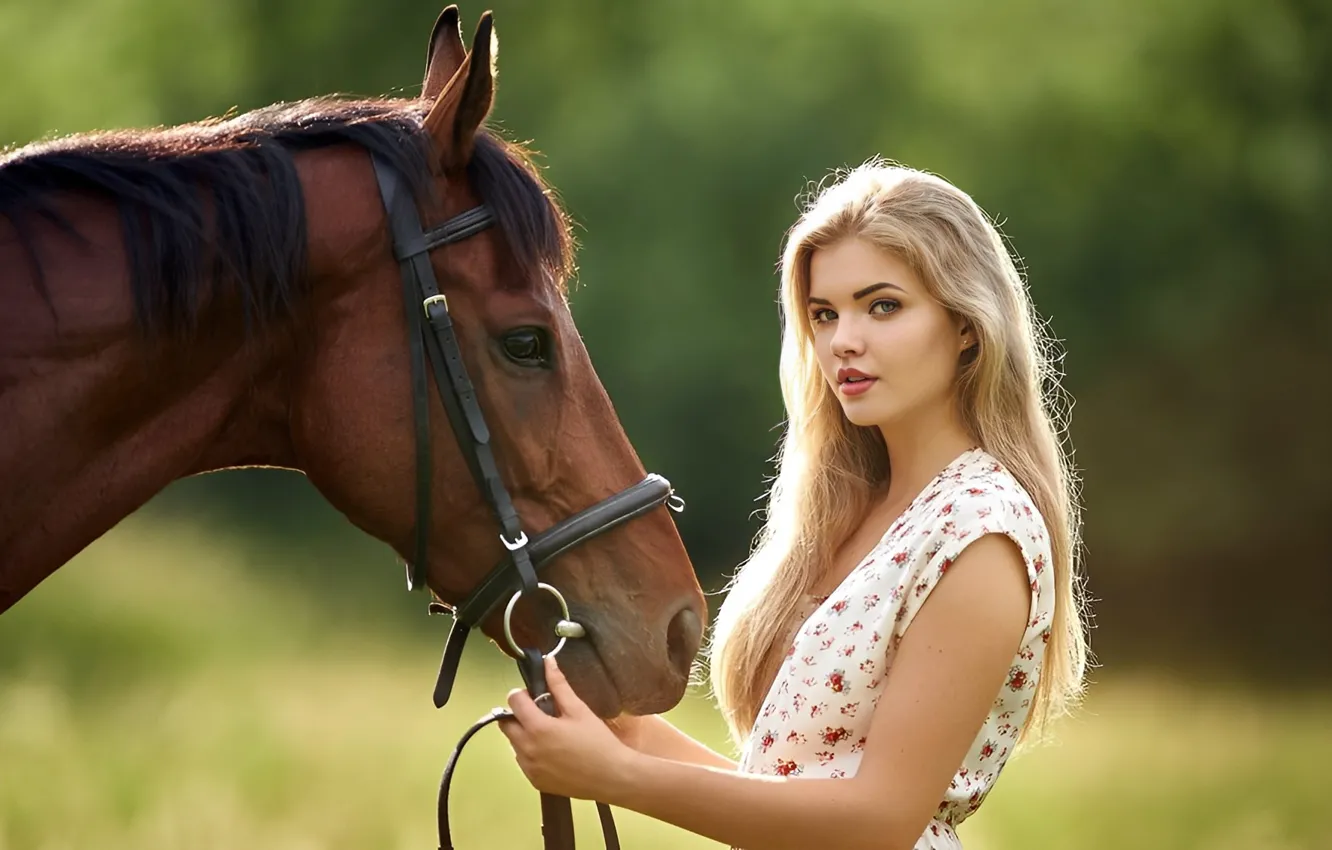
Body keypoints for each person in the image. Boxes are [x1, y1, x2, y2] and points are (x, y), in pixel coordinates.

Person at [497, 158, 1090, 850]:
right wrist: (619, 730)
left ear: (966, 325)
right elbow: (785, 791)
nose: (845, 341)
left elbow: (879, 821)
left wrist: (621, 778)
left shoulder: (980, 532)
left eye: (883, 306)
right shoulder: (851, 513)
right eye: (823, 314)